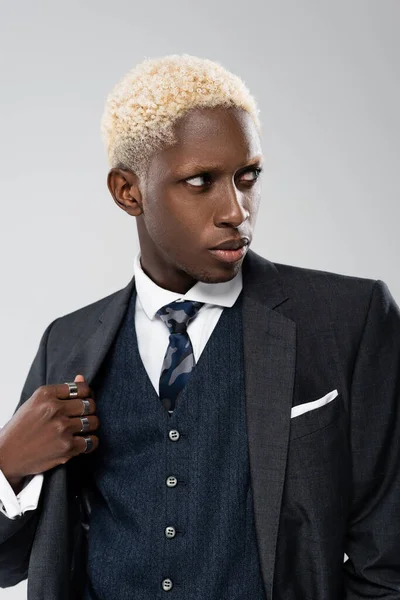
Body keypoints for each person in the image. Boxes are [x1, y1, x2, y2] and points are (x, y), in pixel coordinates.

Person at [0, 53, 399, 600]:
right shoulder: (67, 342)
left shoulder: (351, 318)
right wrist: (6, 465)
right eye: (200, 181)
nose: (236, 210)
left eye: (248, 176)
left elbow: (389, 562)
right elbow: (9, 564)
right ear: (128, 192)